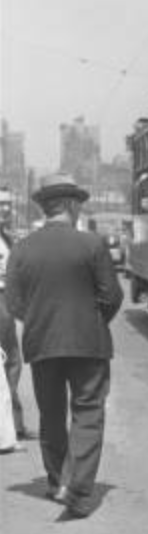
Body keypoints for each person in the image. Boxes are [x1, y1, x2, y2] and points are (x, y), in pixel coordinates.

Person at [4, 173, 124, 518]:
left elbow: (13, 301)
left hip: (42, 344)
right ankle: (79, 489)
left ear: (44, 209)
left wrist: (40, 320)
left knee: (51, 415)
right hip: (89, 344)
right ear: (72, 206)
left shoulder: (22, 248)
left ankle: (57, 482)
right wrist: (92, 320)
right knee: (88, 412)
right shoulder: (92, 245)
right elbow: (112, 296)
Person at [0, 185, 32, 442]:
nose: (6, 209)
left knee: (12, 362)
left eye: (8, 204)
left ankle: (13, 424)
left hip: (6, 306)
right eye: (1, 204)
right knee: (10, 361)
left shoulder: (7, 237)